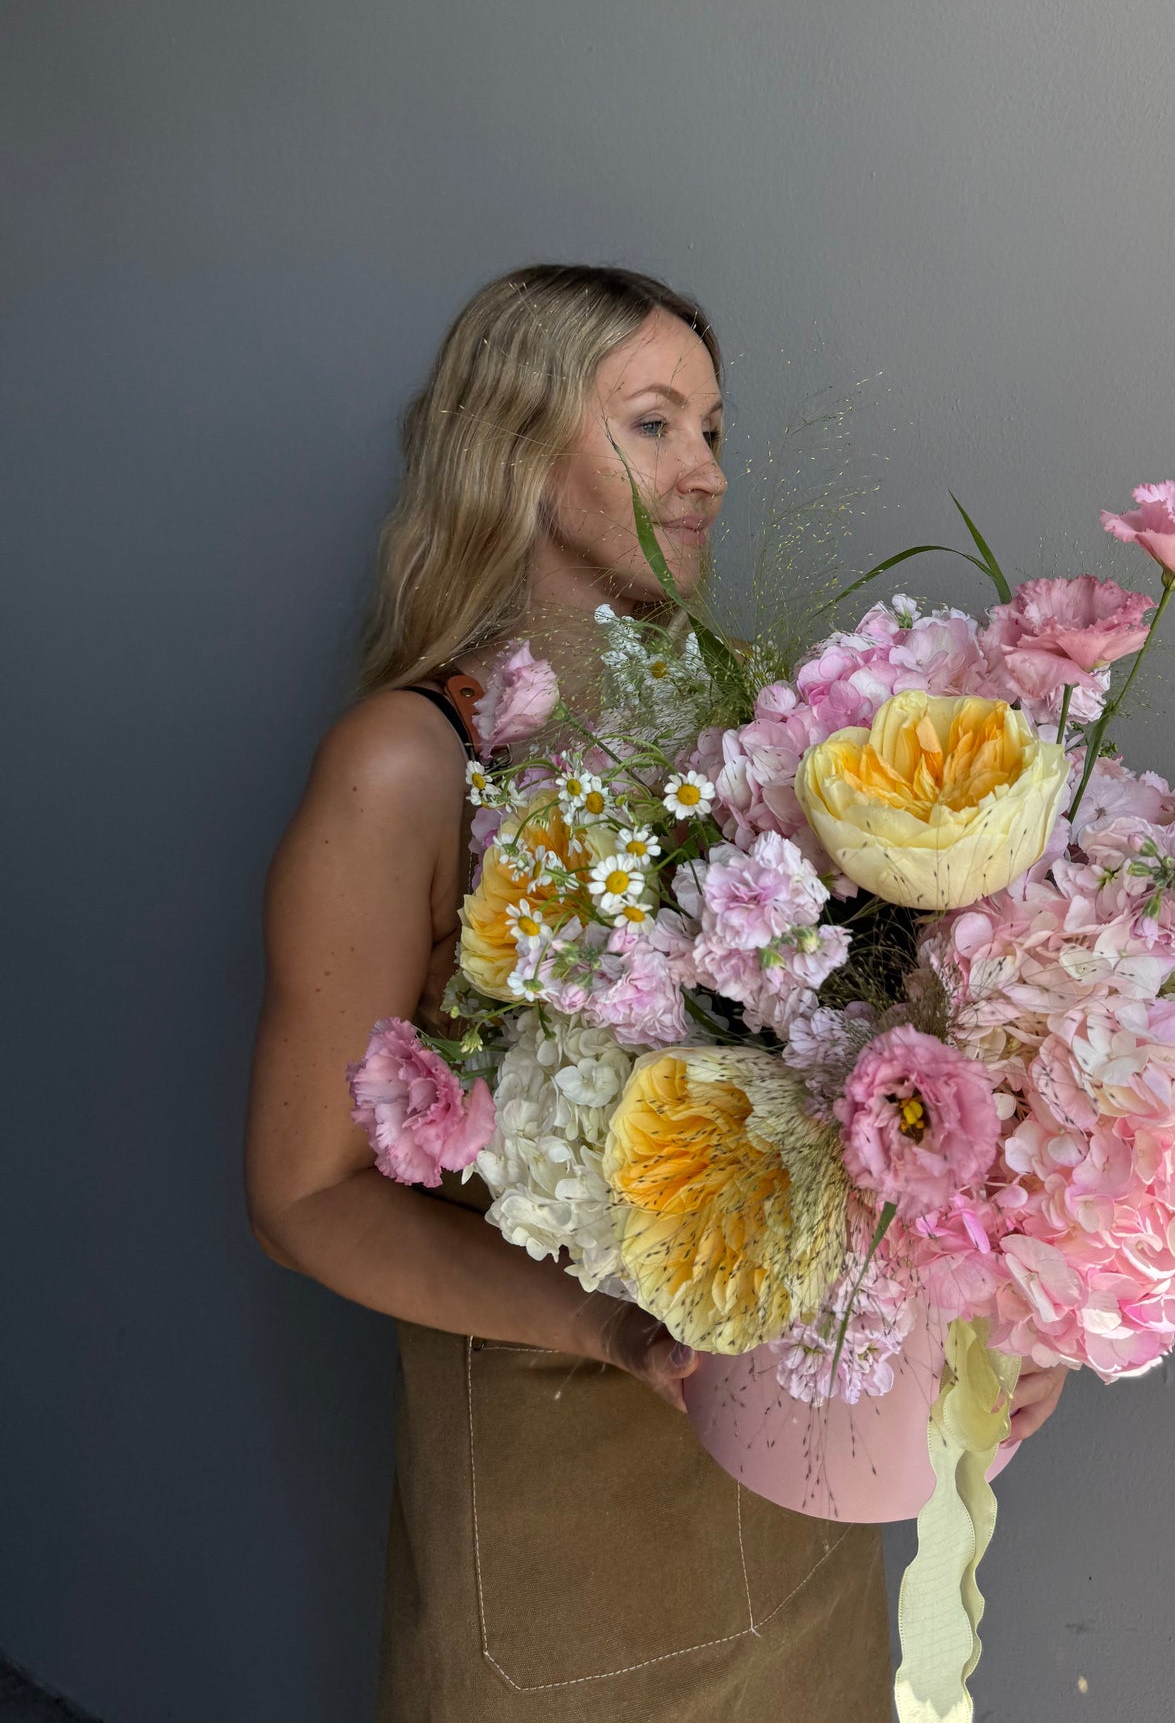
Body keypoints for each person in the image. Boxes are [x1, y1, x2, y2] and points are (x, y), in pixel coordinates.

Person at [245, 263, 1065, 1723]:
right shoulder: (405, 767)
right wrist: (615, 1330)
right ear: (513, 446)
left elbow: (876, 1088)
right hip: (552, 1515)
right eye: (654, 424)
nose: (707, 473)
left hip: (790, 1504)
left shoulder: (759, 733)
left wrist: (983, 1334)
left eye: (714, 430)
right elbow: (303, 1193)